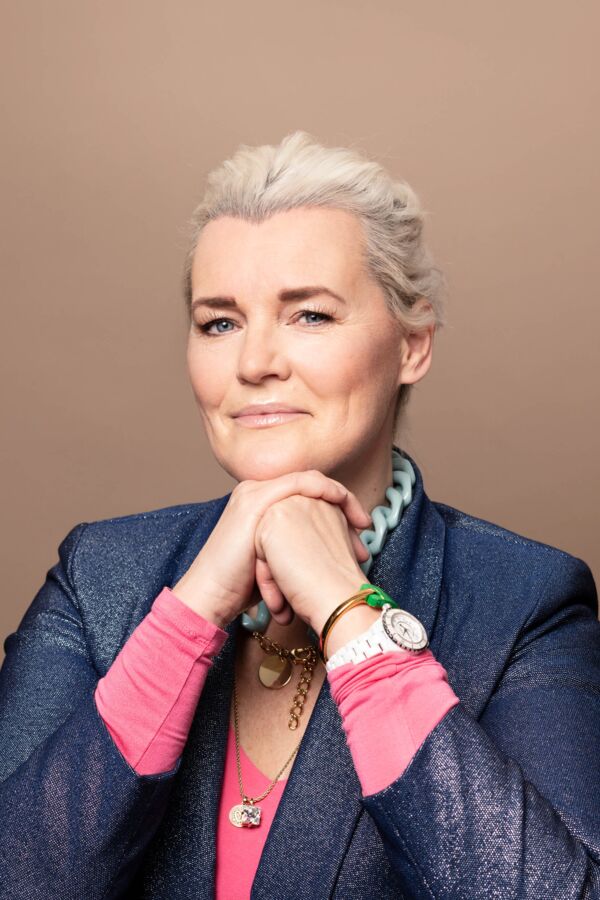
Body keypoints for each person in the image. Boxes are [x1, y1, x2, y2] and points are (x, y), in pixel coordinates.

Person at [0, 131, 599, 900]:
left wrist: (345, 607)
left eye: (309, 315)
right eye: (220, 322)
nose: (254, 362)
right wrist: (192, 612)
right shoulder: (98, 577)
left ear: (413, 345)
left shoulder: (524, 601)